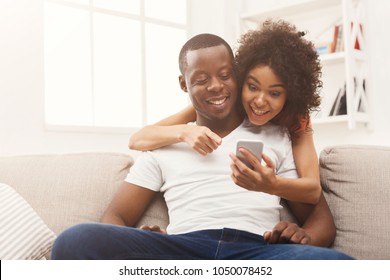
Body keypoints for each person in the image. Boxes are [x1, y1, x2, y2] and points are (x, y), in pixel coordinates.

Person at [51, 30, 352, 260]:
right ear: (184, 84)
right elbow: (115, 217)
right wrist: (144, 238)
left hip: (255, 253)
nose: (216, 87)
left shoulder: (276, 133)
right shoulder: (165, 141)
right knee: (73, 241)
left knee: (345, 268)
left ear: (236, 75)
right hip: (183, 251)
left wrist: (302, 237)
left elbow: (320, 219)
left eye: (224, 75)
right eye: (201, 79)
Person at [129, 20, 322, 205]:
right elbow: (137, 140)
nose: (260, 101)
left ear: (291, 94)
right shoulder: (225, 102)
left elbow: (313, 190)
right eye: (253, 87)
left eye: (274, 93)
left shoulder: (298, 119)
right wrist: (185, 131)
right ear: (241, 79)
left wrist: (272, 185)